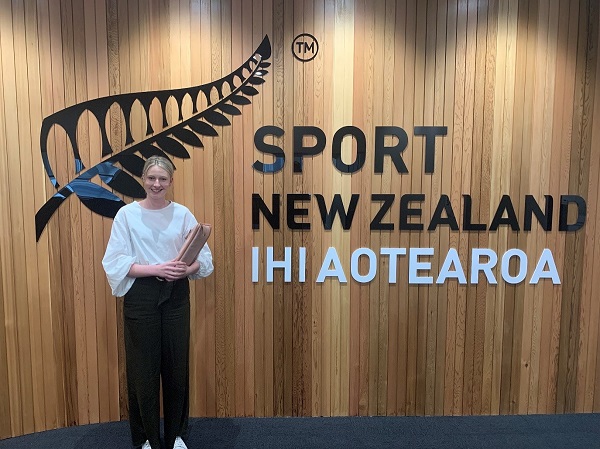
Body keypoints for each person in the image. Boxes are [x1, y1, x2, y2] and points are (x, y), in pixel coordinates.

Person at [102, 155, 213, 449]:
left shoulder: (183, 214)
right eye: (151, 178)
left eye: (163, 179)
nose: (156, 184)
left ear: (171, 182)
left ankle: (175, 435)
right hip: (141, 296)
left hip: (176, 294)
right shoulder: (127, 215)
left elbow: (204, 259)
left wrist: (185, 270)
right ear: (143, 179)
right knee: (143, 368)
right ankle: (147, 438)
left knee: (176, 366)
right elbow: (115, 262)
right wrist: (157, 269)